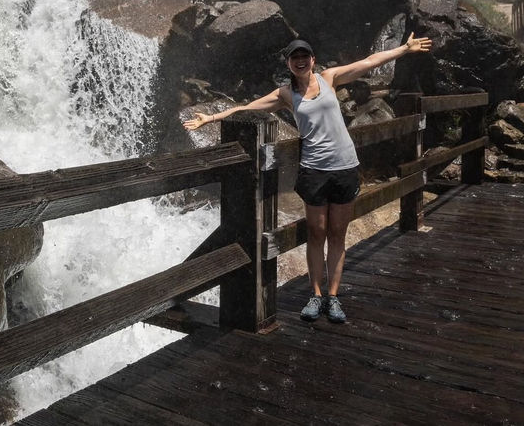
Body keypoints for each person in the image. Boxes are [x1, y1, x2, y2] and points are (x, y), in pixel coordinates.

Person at [183, 32, 432, 323]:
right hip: (314, 170)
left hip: (344, 167)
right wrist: (211, 119)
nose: (300, 61)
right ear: (289, 63)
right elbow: (248, 107)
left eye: (305, 56)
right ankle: (315, 295)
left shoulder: (329, 78)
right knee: (317, 234)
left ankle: (334, 297)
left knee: (337, 235)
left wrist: (404, 49)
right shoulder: (286, 94)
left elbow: (368, 62)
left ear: (312, 60)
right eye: (294, 57)